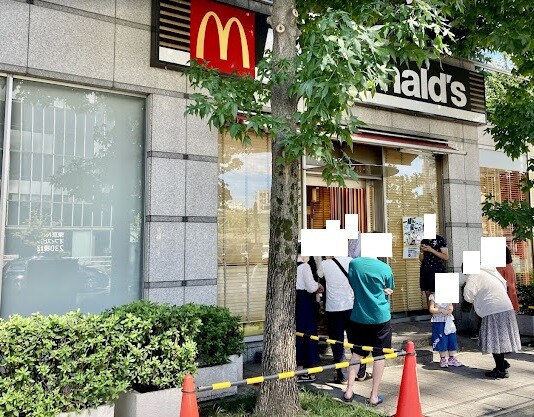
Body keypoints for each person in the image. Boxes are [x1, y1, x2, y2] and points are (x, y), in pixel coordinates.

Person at [343, 256, 394, 405]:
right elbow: (390, 288)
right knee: (379, 356)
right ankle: (374, 396)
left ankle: (349, 391)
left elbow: (353, 284)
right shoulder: (385, 268)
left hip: (358, 316)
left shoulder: (354, 264)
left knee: (356, 354)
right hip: (380, 316)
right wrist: (380, 290)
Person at [463, 265, 521, 378]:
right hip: (505, 307)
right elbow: (504, 285)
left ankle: (500, 370)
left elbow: (468, 295)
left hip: (493, 310)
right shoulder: (490, 271)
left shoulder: (474, 275)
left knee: (495, 340)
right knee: (501, 339)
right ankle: (502, 364)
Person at [322, 255, 370, 384]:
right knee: (356, 340)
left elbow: (319, 275)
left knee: (337, 342)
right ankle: (360, 372)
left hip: (333, 308)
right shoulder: (352, 262)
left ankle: (343, 376)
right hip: (351, 305)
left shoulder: (325, 264)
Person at [295, 245, 324, 382]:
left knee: (299, 335)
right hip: (306, 302)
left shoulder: (290, 266)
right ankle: (309, 371)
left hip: (296, 302)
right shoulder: (304, 266)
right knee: (310, 335)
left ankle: (298, 369)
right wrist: (319, 287)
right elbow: (311, 287)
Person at [428, 293, 463, 367]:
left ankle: (452, 358)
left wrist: (450, 310)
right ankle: (443, 359)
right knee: (441, 339)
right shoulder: (433, 296)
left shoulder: (448, 295)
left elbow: (451, 305)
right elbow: (431, 309)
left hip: (448, 320)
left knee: (452, 339)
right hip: (438, 321)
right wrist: (440, 310)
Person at [419, 235, 448, 305]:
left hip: (437, 270)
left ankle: (443, 313)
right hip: (425, 270)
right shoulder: (424, 240)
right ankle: (432, 315)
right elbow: (421, 259)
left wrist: (431, 250)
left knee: (440, 295)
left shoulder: (440, 239)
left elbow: (446, 257)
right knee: (428, 296)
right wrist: (422, 251)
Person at [497, 247, 519, 312]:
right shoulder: (508, 267)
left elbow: (510, 287)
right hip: (505, 301)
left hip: (501, 302)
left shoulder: (502, 267)